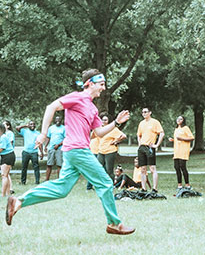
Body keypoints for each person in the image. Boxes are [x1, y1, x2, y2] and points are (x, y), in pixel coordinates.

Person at [5, 69, 135, 235]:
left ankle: (19, 201)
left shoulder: (92, 108)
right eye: (101, 84)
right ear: (90, 84)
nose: (103, 88)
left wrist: (116, 122)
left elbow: (99, 132)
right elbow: (51, 107)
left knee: (62, 189)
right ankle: (114, 223)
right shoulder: (77, 97)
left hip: (73, 151)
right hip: (77, 149)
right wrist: (44, 134)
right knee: (105, 183)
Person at [137, 107, 164, 192]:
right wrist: (139, 144)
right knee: (142, 169)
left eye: (145, 112)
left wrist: (156, 145)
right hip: (142, 147)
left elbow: (162, 134)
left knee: (152, 168)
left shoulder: (155, 122)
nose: (144, 114)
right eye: (142, 112)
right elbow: (138, 135)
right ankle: (143, 188)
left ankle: (155, 188)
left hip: (150, 147)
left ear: (150, 113)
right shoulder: (141, 123)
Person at [95, 113, 127, 181]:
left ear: (108, 121)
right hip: (101, 151)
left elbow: (124, 136)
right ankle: (101, 184)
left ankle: (111, 185)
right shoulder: (100, 129)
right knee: (98, 168)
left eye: (105, 120)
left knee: (109, 170)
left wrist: (116, 141)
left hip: (110, 151)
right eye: (102, 120)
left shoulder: (112, 129)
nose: (103, 121)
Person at [169, 116, 194, 191]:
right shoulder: (176, 129)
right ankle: (179, 185)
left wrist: (182, 139)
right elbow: (178, 139)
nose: (178, 120)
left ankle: (187, 185)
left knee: (182, 167)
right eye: (177, 119)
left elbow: (192, 138)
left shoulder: (185, 128)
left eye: (180, 119)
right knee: (176, 167)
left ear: (183, 120)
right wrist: (173, 140)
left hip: (183, 150)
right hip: (177, 151)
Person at [44, 116, 65, 181]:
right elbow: (48, 137)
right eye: (57, 120)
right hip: (51, 148)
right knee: (49, 164)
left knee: (59, 165)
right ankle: (46, 179)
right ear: (54, 120)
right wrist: (45, 146)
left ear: (61, 120)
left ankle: (59, 179)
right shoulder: (51, 128)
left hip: (60, 149)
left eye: (59, 120)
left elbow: (66, 138)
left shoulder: (64, 128)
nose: (58, 121)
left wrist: (58, 145)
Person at [1, 124, 15, 196]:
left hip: (8, 156)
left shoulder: (3, 137)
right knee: (6, 175)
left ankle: (2, 194)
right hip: (6, 156)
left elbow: (1, 149)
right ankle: (8, 193)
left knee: (4, 175)